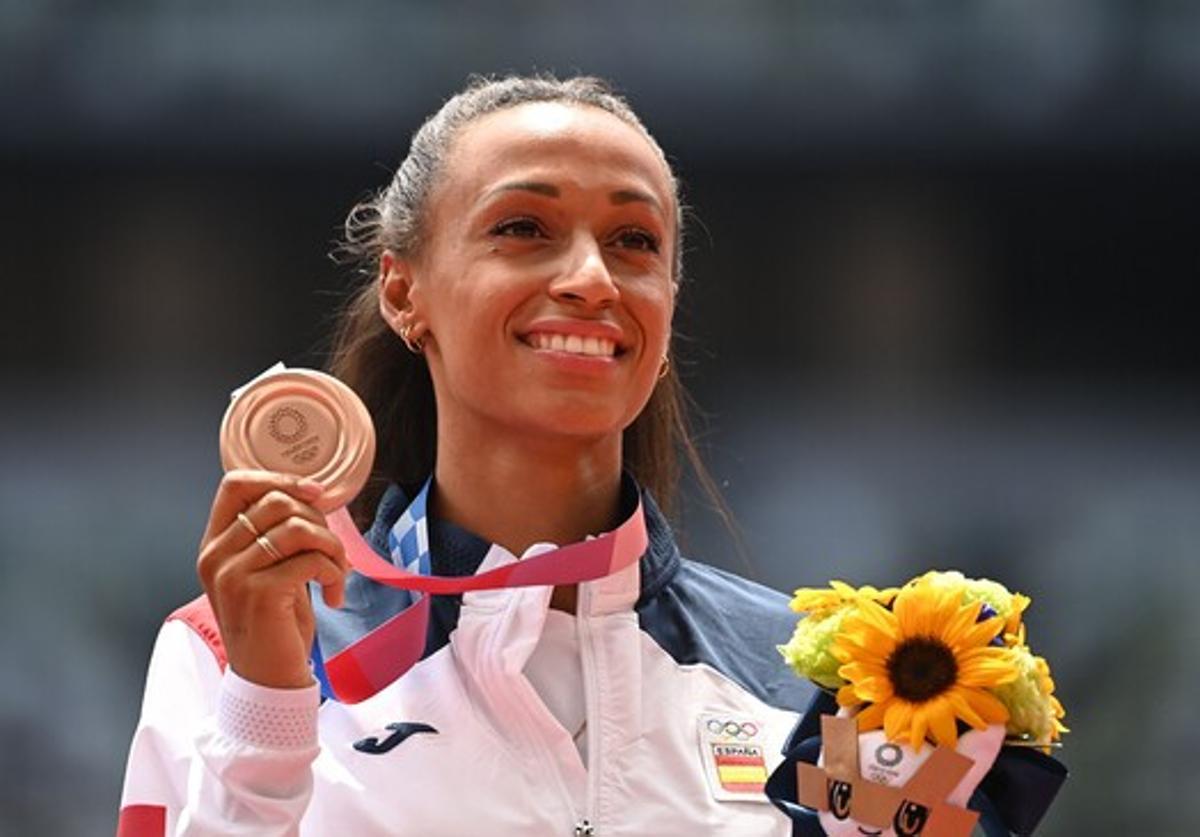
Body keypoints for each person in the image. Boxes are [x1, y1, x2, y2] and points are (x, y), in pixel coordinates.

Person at [118, 74, 815, 836]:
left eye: (633, 242)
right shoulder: (235, 649)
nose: (591, 279)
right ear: (402, 290)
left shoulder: (807, 676)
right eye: (523, 228)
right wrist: (265, 717)